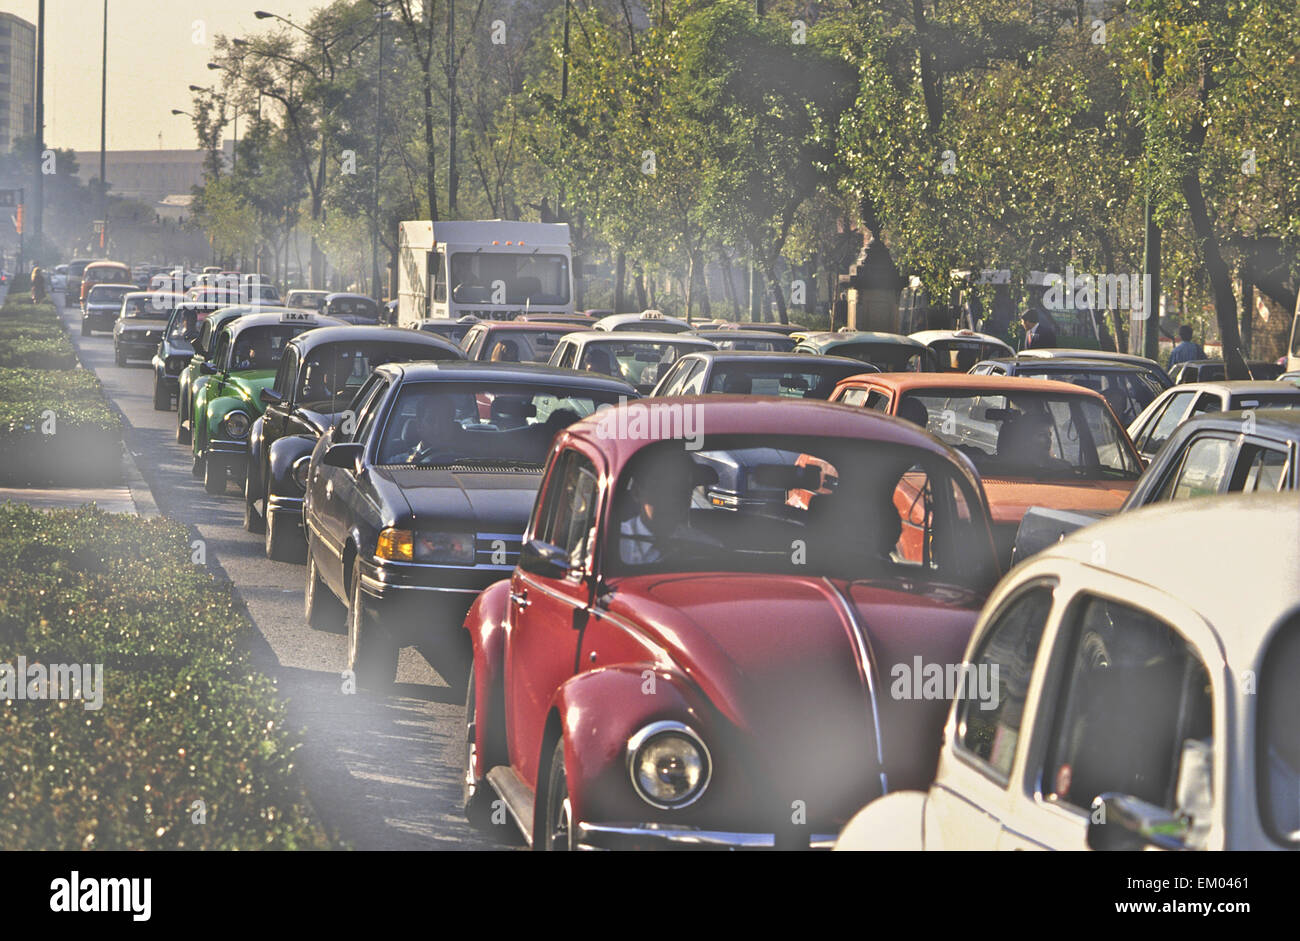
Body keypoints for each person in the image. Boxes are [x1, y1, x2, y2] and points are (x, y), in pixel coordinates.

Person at [618, 448, 718, 565]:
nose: (673, 498)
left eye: (682, 489)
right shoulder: (612, 542)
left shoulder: (708, 548)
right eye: (661, 488)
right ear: (636, 492)